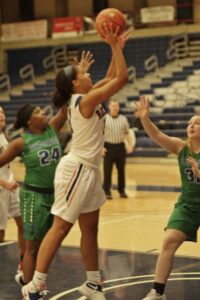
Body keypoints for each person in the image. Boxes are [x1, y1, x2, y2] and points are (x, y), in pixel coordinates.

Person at [22, 25, 128, 300]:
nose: (88, 74)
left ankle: (93, 283)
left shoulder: (85, 95)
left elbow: (110, 77)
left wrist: (118, 48)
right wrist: (114, 46)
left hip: (89, 170)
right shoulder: (83, 100)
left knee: (90, 227)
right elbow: (121, 78)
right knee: (60, 227)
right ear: (75, 85)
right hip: (76, 169)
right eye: (83, 74)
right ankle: (34, 285)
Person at [135, 96, 200, 300]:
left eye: (197, 122)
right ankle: (157, 292)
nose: (191, 125)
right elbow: (156, 134)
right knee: (169, 241)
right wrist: (145, 119)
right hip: (188, 207)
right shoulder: (180, 147)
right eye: (189, 122)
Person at [0, 103, 67, 286]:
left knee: (47, 245)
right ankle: (29, 290)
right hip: (33, 198)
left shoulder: (52, 129)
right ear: (30, 121)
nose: (43, 113)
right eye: (38, 112)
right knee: (32, 249)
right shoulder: (21, 142)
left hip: (54, 197)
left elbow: (67, 107)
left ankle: (28, 281)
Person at [0, 106, 25, 272]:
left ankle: (23, 263)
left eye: (2, 112)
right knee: (0, 234)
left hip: (11, 185)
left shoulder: (3, 136)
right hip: (2, 187)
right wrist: (4, 183)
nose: (1, 115)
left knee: (23, 224)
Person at [102, 99, 134, 199]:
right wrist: (100, 147)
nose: (115, 107)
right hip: (108, 147)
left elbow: (127, 133)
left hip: (120, 147)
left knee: (121, 171)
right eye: (113, 106)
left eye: (117, 106)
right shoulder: (104, 119)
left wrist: (129, 145)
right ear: (109, 107)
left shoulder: (123, 119)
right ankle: (107, 192)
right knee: (107, 171)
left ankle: (122, 191)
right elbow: (99, 134)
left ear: (119, 107)